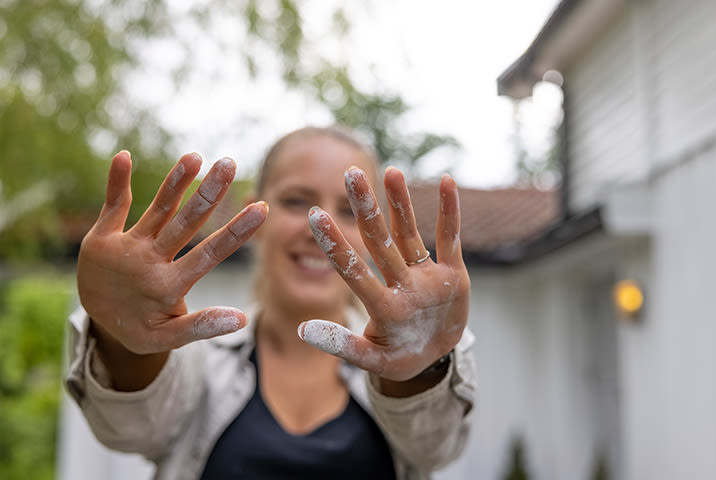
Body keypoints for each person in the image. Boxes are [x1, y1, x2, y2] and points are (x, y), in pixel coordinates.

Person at [65, 126, 476, 479]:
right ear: (254, 214)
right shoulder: (199, 364)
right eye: (298, 202)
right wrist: (121, 342)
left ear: (373, 231)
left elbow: (435, 445)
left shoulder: (420, 360)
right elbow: (130, 430)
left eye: (350, 210)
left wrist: (418, 370)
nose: (322, 227)